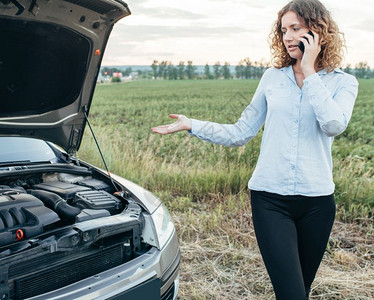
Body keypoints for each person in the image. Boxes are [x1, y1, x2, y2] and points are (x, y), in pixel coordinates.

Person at [151, 0, 358, 298]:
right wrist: (191, 124)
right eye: (283, 29)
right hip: (271, 201)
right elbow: (240, 132)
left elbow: (334, 125)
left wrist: (310, 72)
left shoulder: (343, 83)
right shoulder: (272, 78)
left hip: (318, 203)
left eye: (296, 28)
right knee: (291, 294)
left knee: (302, 289)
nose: (287, 36)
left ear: (318, 32)